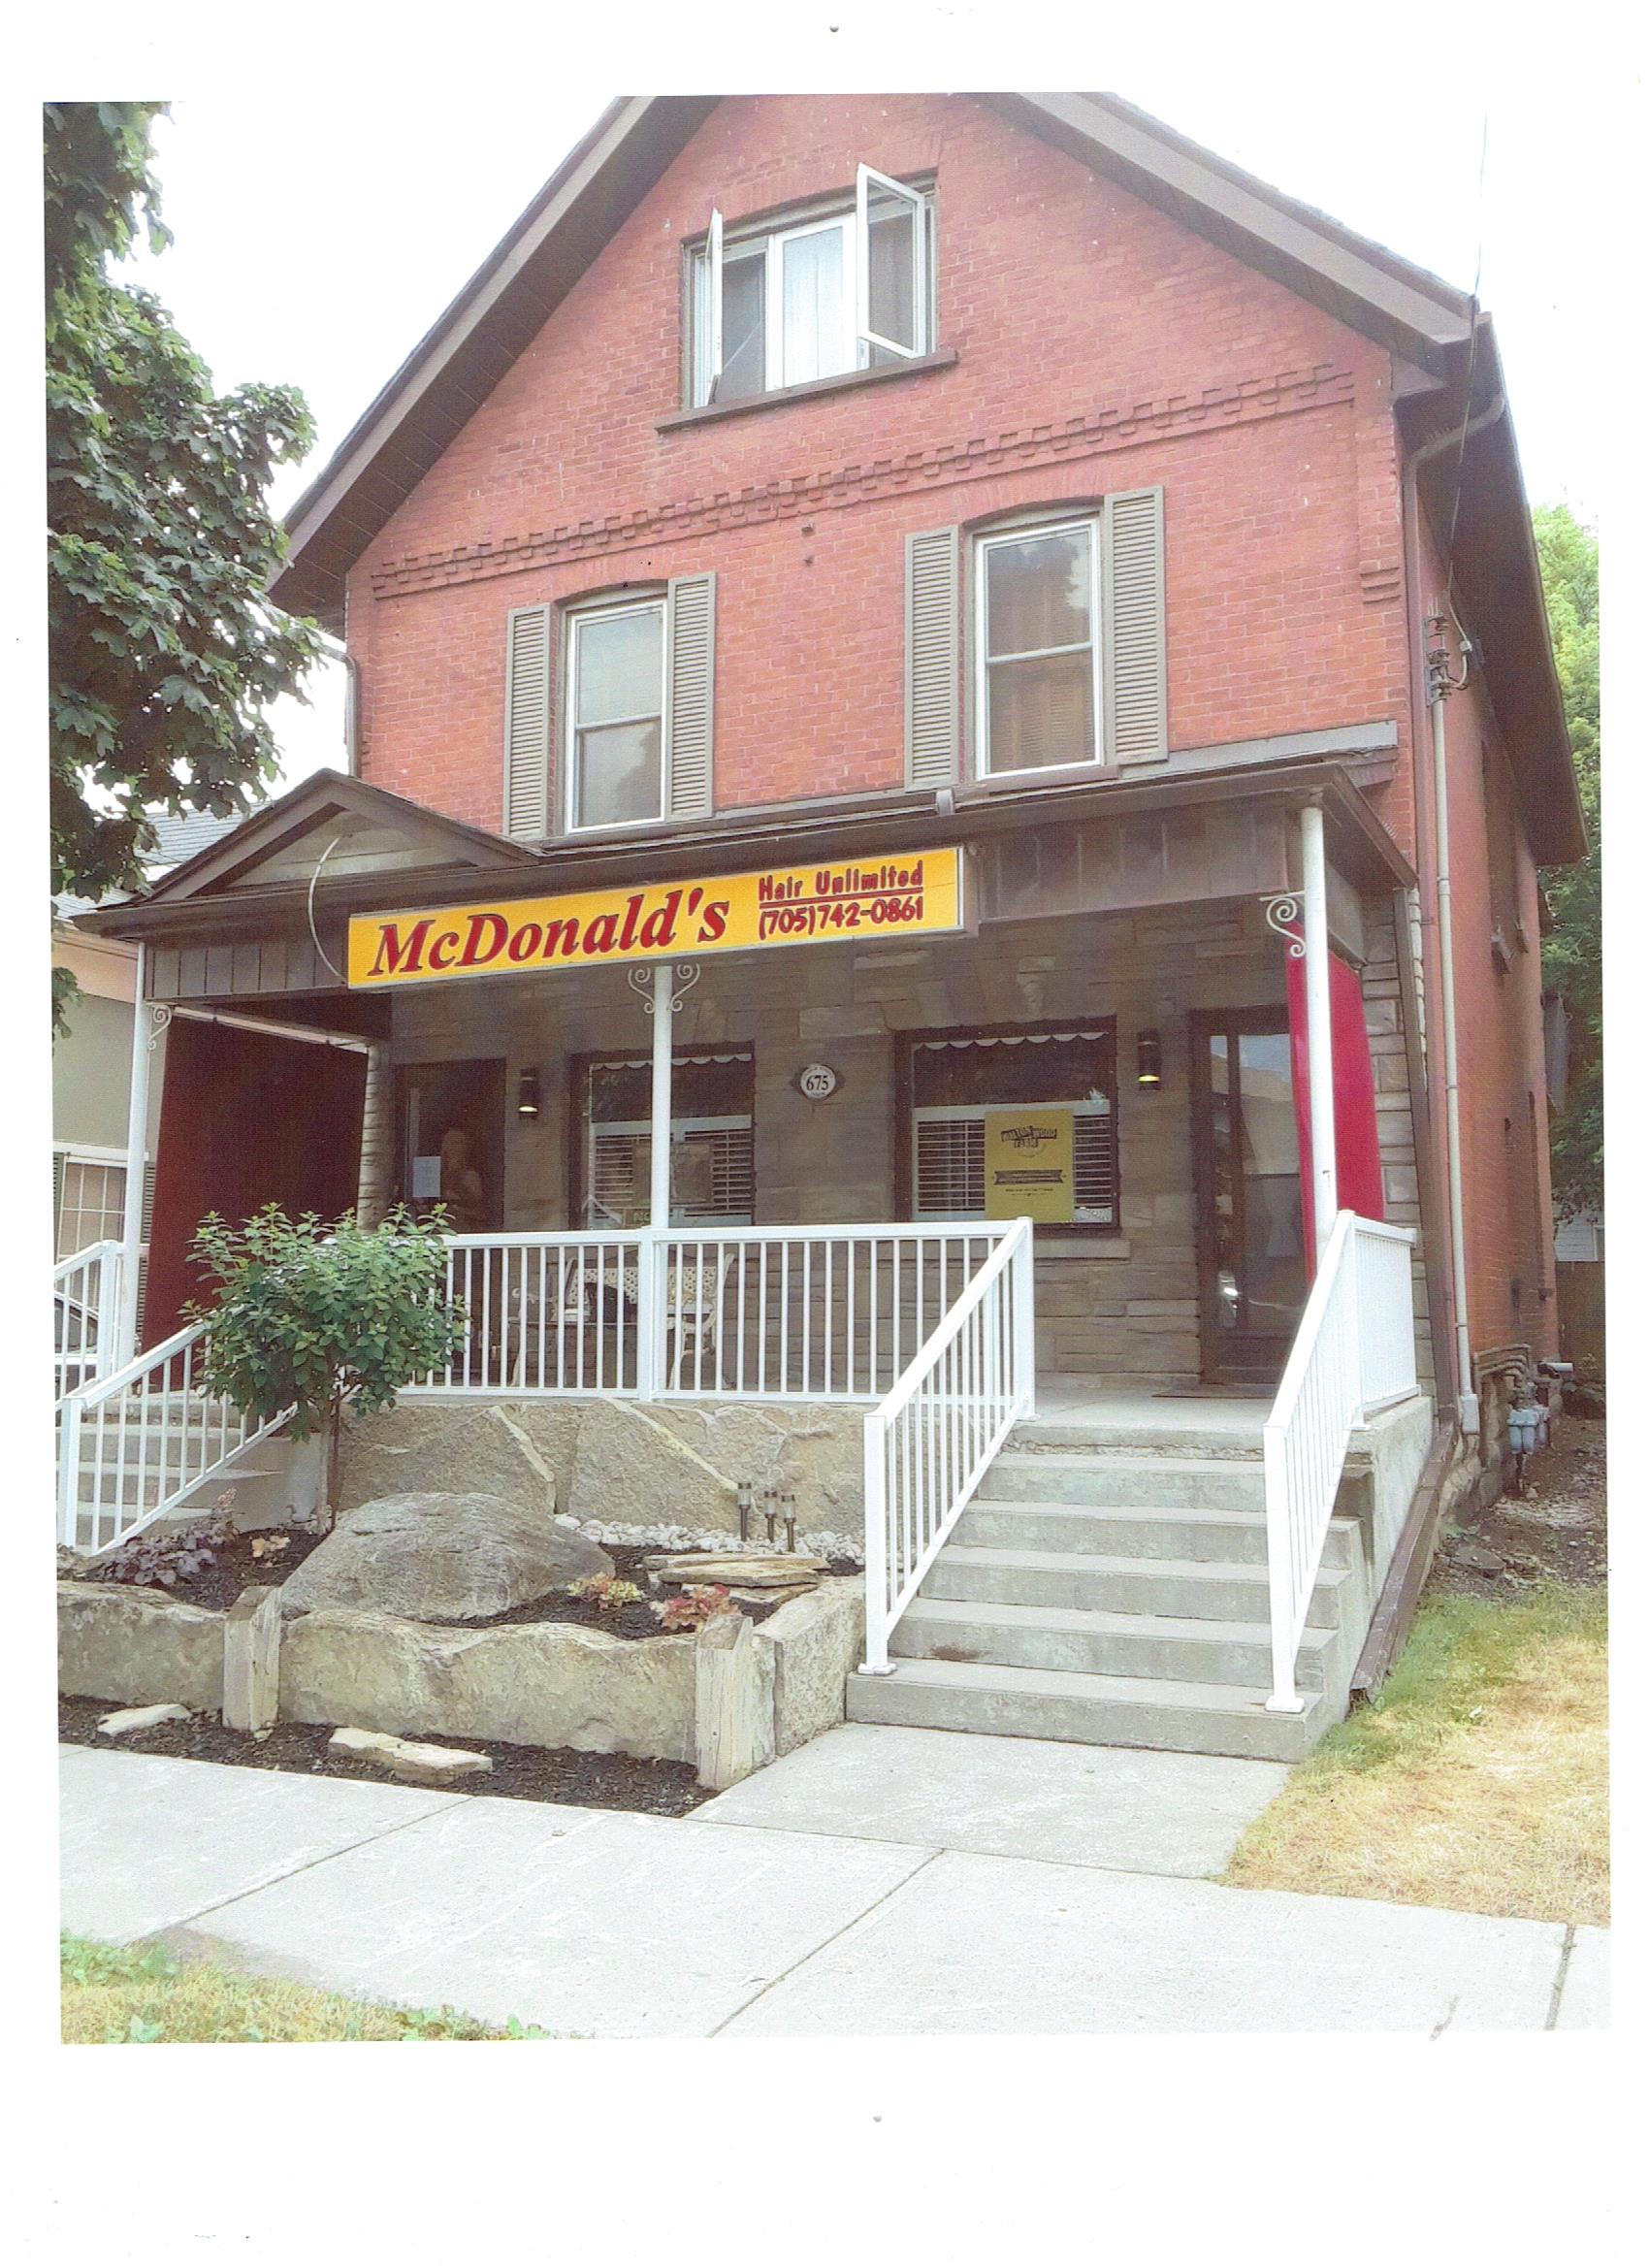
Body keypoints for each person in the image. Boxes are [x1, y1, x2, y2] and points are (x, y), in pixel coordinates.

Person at [438, 1125, 487, 1233]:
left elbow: (480, 1211)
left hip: (462, 1231)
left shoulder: (470, 1176)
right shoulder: (436, 1175)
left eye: (458, 1143)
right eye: (450, 1142)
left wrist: (457, 1207)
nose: (453, 1147)